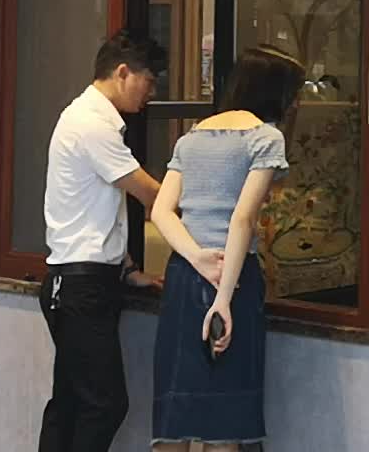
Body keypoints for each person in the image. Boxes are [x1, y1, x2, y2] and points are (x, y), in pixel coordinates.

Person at [40, 29, 224, 452]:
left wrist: (127, 270)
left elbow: (96, 212)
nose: (151, 93)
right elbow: (151, 194)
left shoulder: (91, 119)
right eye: (149, 80)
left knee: (71, 403)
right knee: (103, 405)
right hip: (80, 287)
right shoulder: (91, 124)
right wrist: (208, 207)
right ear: (123, 72)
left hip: (83, 282)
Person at [150, 45, 303, 451]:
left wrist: (196, 257)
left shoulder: (192, 136)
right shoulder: (266, 138)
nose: (295, 103)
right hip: (234, 276)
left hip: (184, 277)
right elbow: (242, 219)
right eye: (293, 93)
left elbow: (162, 211)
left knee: (174, 414)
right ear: (275, 92)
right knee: (225, 422)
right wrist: (223, 298)